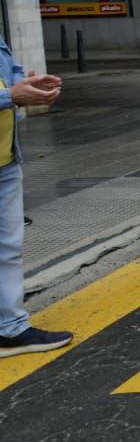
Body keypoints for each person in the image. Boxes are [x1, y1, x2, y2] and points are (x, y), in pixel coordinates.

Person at [0, 40, 67, 359]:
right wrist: (12, 96)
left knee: (8, 248)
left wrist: (29, 86)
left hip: (5, 159)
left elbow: (10, 69)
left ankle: (10, 328)